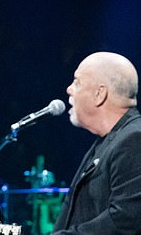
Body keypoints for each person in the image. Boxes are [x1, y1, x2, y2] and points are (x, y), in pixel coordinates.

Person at [51, 52, 141, 234]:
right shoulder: (107, 141)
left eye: (77, 82)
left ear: (99, 94)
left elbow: (125, 222)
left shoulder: (134, 140)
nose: (69, 89)